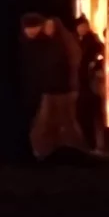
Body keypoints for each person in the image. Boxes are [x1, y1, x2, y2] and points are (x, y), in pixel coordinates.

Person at [21, 13, 85, 160]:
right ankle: (48, 149)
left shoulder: (62, 44)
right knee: (50, 122)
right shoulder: (47, 44)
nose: (48, 29)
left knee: (61, 122)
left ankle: (70, 148)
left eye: (50, 26)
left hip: (63, 90)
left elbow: (69, 65)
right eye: (46, 26)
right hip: (52, 89)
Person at [75, 15, 105, 151]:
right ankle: (90, 143)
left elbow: (99, 58)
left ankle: (94, 144)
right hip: (83, 83)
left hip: (90, 84)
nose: (81, 29)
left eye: (83, 26)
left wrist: (94, 66)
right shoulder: (78, 41)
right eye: (79, 26)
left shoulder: (93, 43)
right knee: (86, 115)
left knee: (93, 114)